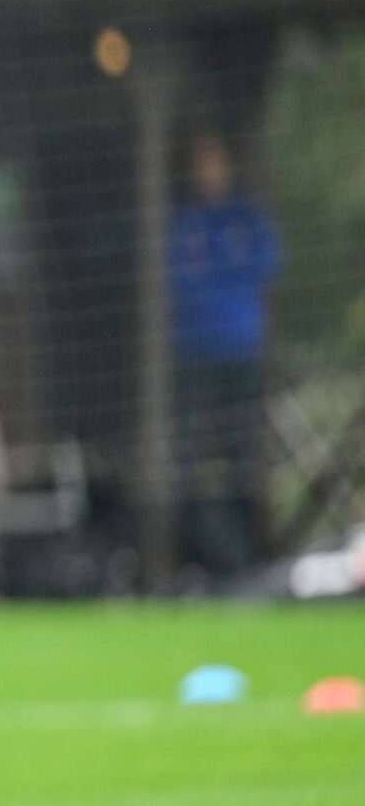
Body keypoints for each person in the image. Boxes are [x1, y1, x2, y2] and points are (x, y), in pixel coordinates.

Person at [169, 131, 279, 577]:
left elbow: (268, 265)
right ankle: (202, 557)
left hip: (243, 352)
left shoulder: (246, 216)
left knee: (244, 455)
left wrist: (217, 269)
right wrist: (223, 271)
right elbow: (178, 279)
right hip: (194, 355)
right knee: (189, 459)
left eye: (214, 162)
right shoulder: (182, 220)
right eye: (200, 163)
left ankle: (249, 558)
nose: (208, 172)